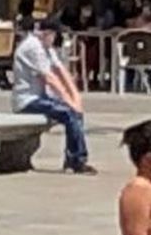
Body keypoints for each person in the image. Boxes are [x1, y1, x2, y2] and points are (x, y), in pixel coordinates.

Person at [12, 17, 95, 175]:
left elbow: (60, 70)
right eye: (56, 35)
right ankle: (77, 161)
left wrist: (76, 96)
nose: (56, 39)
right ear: (48, 33)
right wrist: (68, 101)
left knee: (75, 113)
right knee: (69, 113)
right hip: (27, 100)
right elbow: (49, 78)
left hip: (41, 97)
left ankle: (73, 159)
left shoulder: (45, 46)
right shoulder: (33, 47)